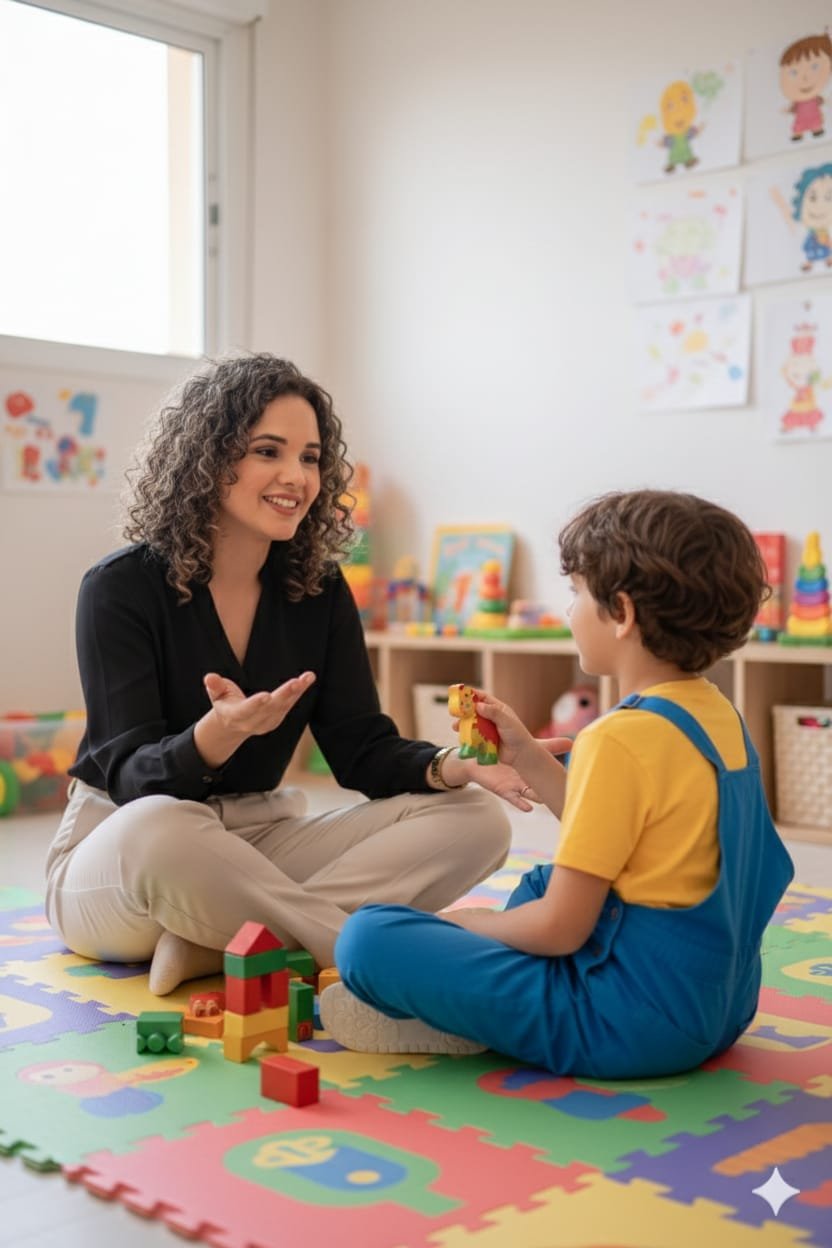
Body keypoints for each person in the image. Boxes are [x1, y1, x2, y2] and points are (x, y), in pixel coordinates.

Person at [45, 353, 530, 997]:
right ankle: (367, 955)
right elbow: (131, 780)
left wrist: (451, 765)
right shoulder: (119, 587)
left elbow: (362, 749)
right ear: (207, 458)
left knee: (476, 820)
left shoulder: (318, 590)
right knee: (163, 826)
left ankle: (222, 943)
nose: (296, 477)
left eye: (310, 457)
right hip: (123, 853)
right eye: (268, 451)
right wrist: (215, 737)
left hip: (255, 842)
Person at [321, 490, 796, 1077]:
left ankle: (461, 1013)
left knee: (368, 938)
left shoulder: (617, 737)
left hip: (626, 1025)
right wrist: (525, 753)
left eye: (576, 593)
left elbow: (559, 928)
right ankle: (472, 1001)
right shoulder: (716, 716)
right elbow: (624, 833)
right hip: (719, 1010)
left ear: (622, 613)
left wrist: (470, 924)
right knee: (544, 880)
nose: (570, 610)